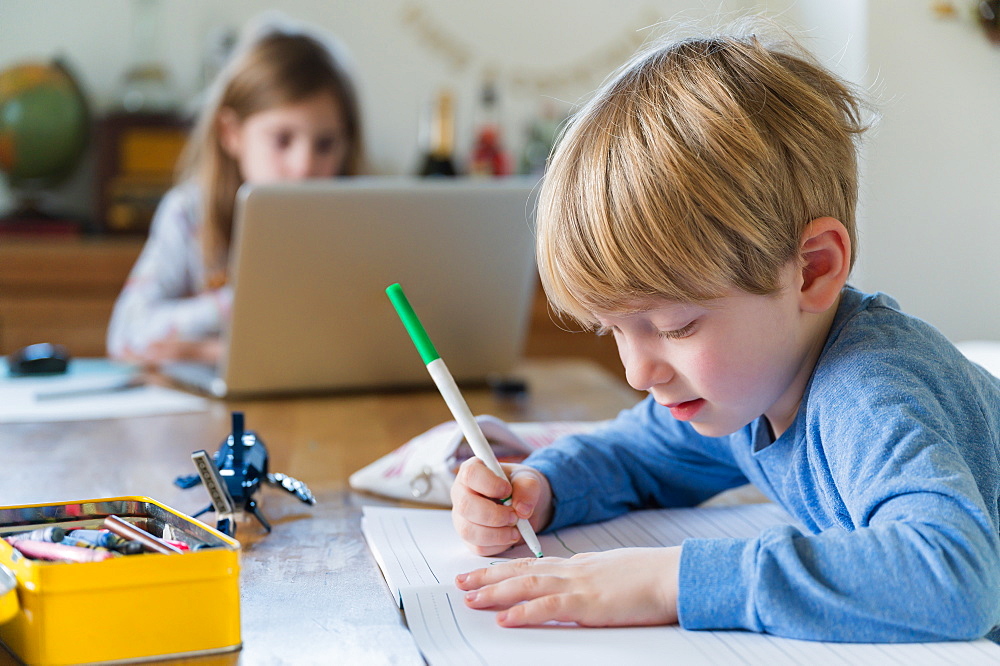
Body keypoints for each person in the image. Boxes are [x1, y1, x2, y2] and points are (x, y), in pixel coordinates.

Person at [449, 25, 1000, 643]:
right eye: (614, 332)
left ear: (813, 269)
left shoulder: (867, 394)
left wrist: (670, 581)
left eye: (675, 326)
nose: (637, 373)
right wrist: (541, 489)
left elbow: (955, 576)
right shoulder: (752, 385)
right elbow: (638, 456)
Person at [106, 15, 363, 365]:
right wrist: (240, 305)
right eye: (282, 139)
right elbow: (126, 334)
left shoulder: (358, 226)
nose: (304, 166)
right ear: (231, 133)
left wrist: (201, 349)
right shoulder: (189, 213)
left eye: (325, 143)